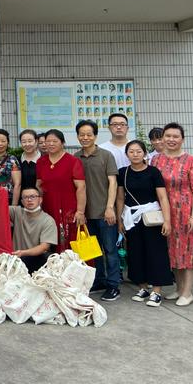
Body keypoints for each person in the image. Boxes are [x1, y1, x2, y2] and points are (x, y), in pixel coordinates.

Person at [152, 122, 193, 306]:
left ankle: (187, 292)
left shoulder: (190, 160)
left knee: (189, 250)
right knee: (172, 250)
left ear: (182, 139)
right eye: (168, 136)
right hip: (164, 212)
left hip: (185, 211)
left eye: (175, 136)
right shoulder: (156, 160)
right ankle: (179, 288)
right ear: (162, 138)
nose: (171, 139)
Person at [117, 140, 173, 308]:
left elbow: (162, 197)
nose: (135, 154)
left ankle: (156, 291)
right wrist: (120, 219)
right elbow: (120, 198)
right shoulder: (123, 172)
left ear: (145, 154)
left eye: (138, 151)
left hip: (151, 217)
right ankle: (142, 288)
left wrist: (167, 220)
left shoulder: (153, 172)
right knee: (135, 252)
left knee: (156, 253)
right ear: (126, 154)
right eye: (131, 151)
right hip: (132, 218)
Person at [75, 120, 121, 301]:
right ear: (77, 136)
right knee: (93, 251)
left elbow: (113, 183)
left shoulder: (106, 155)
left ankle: (113, 285)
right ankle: (99, 280)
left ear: (95, 136)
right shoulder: (76, 157)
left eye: (89, 134)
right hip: (86, 214)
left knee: (110, 250)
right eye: (82, 134)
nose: (85, 137)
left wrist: (110, 208)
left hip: (104, 212)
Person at [36, 129, 87, 250]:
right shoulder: (41, 162)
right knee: (50, 240)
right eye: (48, 141)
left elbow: (81, 187)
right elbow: (38, 185)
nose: (51, 144)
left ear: (62, 143)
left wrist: (80, 211)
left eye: (55, 141)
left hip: (69, 209)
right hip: (48, 207)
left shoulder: (73, 161)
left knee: (70, 242)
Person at [10, 187, 58, 273]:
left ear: (40, 200)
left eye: (33, 196)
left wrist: (23, 253)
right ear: (22, 201)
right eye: (25, 197)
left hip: (37, 262)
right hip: (16, 261)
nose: (29, 200)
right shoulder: (16, 212)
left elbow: (44, 247)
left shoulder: (48, 220)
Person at [0, 129, 21, 206]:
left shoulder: (12, 160)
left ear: (8, 143)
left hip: (8, 199)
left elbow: (17, 184)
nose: (0, 144)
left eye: (3, 141)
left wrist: (14, 206)